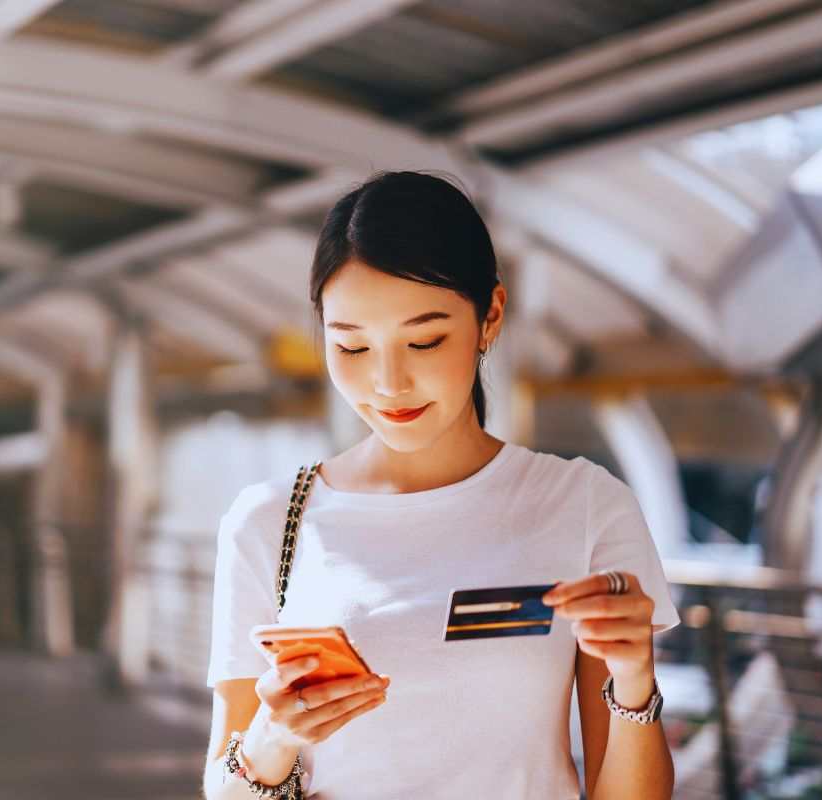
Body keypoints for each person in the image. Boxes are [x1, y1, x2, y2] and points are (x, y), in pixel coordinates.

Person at [202, 170, 681, 799]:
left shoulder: (585, 504)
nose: (388, 384)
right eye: (351, 348)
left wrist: (634, 678)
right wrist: (274, 737)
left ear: (490, 318)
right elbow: (223, 784)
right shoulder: (266, 521)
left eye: (424, 341)